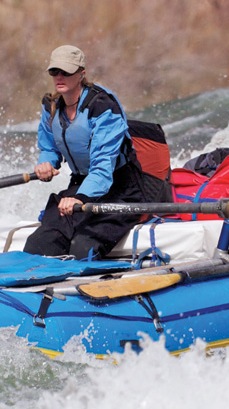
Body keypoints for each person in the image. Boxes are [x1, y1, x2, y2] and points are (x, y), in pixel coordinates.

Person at [23, 45, 144, 259]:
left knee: (82, 247)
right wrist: (46, 163)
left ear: (81, 74)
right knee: (38, 244)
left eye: (66, 72)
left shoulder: (103, 107)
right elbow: (49, 148)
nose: (59, 77)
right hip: (80, 185)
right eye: (54, 72)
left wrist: (80, 197)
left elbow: (102, 169)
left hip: (120, 189)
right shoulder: (51, 106)